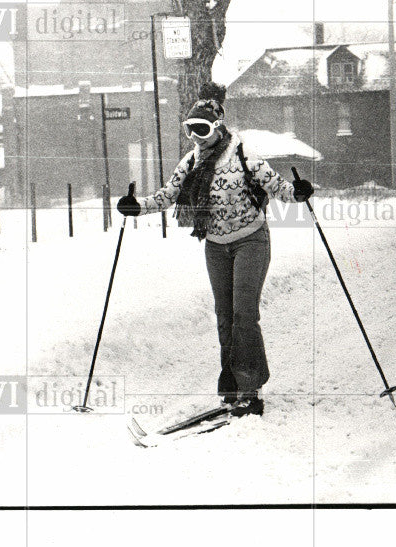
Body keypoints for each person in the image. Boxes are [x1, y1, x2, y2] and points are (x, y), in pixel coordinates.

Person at [116, 88, 314, 417]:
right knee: (225, 318)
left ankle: (250, 389)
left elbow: (277, 186)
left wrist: (299, 192)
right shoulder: (192, 161)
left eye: (203, 129)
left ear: (219, 127)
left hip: (251, 240)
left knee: (243, 316)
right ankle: (232, 386)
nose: (196, 136)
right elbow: (167, 196)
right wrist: (136, 207)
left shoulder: (242, 154)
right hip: (215, 246)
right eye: (190, 128)